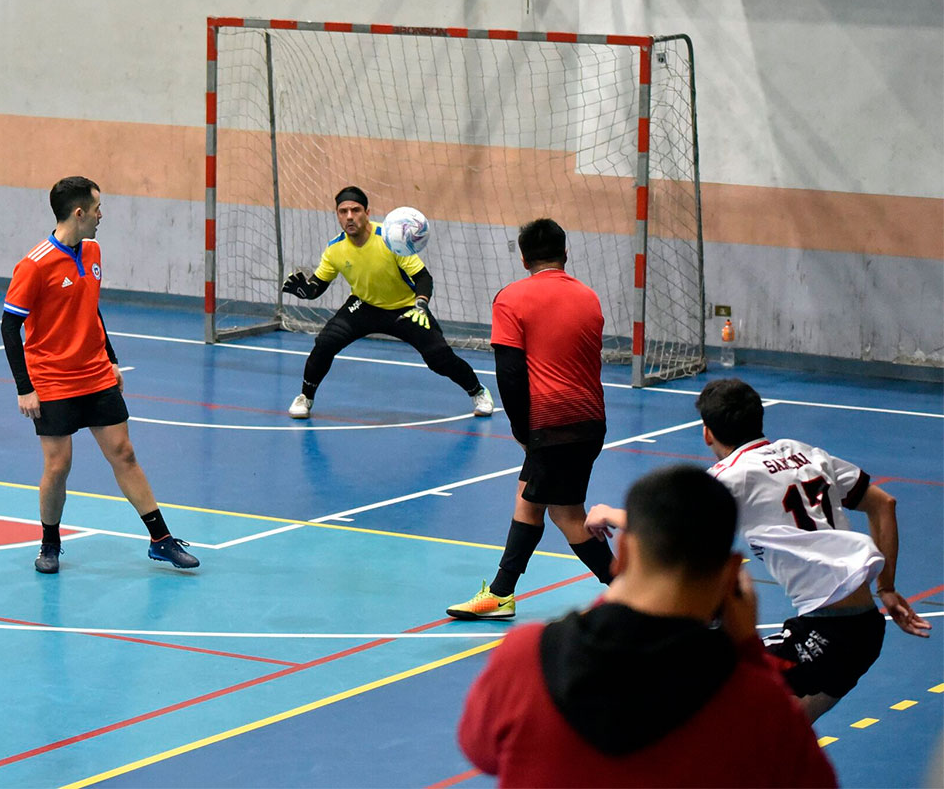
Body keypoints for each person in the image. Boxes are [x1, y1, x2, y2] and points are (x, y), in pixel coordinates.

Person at [458, 465, 837, 788]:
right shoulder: (758, 703)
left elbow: (480, 750)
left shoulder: (523, 656)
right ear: (731, 574)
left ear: (622, 554)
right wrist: (748, 652)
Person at [586, 377, 931, 721]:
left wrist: (606, 513)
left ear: (707, 433)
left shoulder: (730, 475)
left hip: (828, 633)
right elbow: (884, 504)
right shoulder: (806, 453)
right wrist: (886, 588)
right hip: (864, 627)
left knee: (706, 686)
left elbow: (667, 525)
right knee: (782, 733)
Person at [1, 176, 199, 574]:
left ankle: (161, 540)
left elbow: (91, 308)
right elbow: (9, 327)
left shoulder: (92, 250)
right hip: (52, 379)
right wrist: (25, 388)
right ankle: (50, 543)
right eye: (97, 209)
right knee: (58, 465)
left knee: (124, 453)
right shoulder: (35, 264)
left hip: (95, 373)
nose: (101, 215)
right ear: (79, 213)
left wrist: (111, 359)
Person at [447, 218, 614, 619]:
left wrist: (523, 431)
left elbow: (509, 373)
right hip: (590, 418)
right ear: (565, 254)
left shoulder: (511, 298)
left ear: (523, 259)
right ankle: (501, 593)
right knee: (528, 501)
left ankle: (640, 596)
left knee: (567, 515)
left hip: (552, 425)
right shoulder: (589, 297)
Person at [280, 186, 493, 420]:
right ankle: (305, 397)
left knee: (438, 357)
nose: (349, 217)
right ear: (338, 215)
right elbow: (318, 284)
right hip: (364, 306)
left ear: (367, 213)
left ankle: (478, 391)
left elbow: (423, 277)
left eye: (355, 210)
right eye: (343, 211)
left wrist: (421, 304)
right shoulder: (334, 248)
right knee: (325, 344)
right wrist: (306, 291)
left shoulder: (391, 238)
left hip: (405, 309)